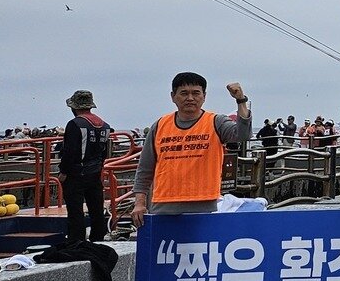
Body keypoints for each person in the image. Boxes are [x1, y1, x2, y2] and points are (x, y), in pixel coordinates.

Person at [131, 73, 253, 228]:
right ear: (173, 97)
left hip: (205, 205)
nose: (190, 98)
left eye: (196, 93)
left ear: (204, 96)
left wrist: (241, 100)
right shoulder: (160, 125)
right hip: (163, 206)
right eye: (184, 93)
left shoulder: (216, 122)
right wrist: (139, 203)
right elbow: (145, 168)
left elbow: (243, 134)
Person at [58, 89, 112, 243]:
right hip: (95, 173)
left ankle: (77, 242)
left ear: (74, 107)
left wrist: (63, 172)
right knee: (96, 210)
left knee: (75, 212)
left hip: (76, 174)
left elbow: (69, 151)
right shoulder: (104, 125)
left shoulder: (75, 124)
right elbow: (104, 153)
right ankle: (98, 239)